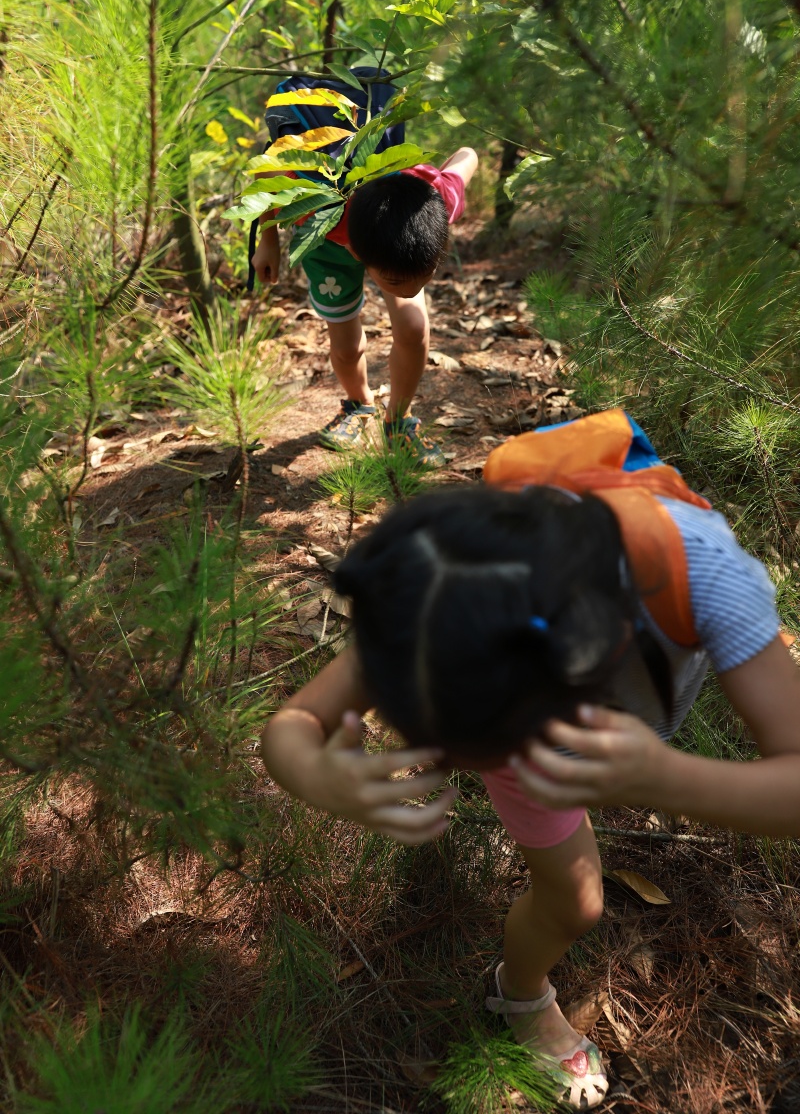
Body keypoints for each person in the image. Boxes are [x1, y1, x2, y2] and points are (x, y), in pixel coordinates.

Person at [259, 409, 800, 1109]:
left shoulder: (709, 575)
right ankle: (521, 997)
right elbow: (294, 725)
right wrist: (315, 774)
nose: (451, 765)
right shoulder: (440, 599)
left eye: (474, 747)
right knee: (574, 905)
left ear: (588, 672)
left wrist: (666, 779)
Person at [251, 147, 478, 466]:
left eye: (426, 276)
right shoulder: (318, 208)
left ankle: (399, 418)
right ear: (357, 254)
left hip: (396, 237)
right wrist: (268, 240)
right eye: (397, 283)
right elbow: (267, 169)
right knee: (346, 347)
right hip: (325, 246)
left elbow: (468, 154)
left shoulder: (438, 200)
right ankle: (359, 403)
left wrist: (407, 270)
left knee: (414, 329)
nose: (412, 291)